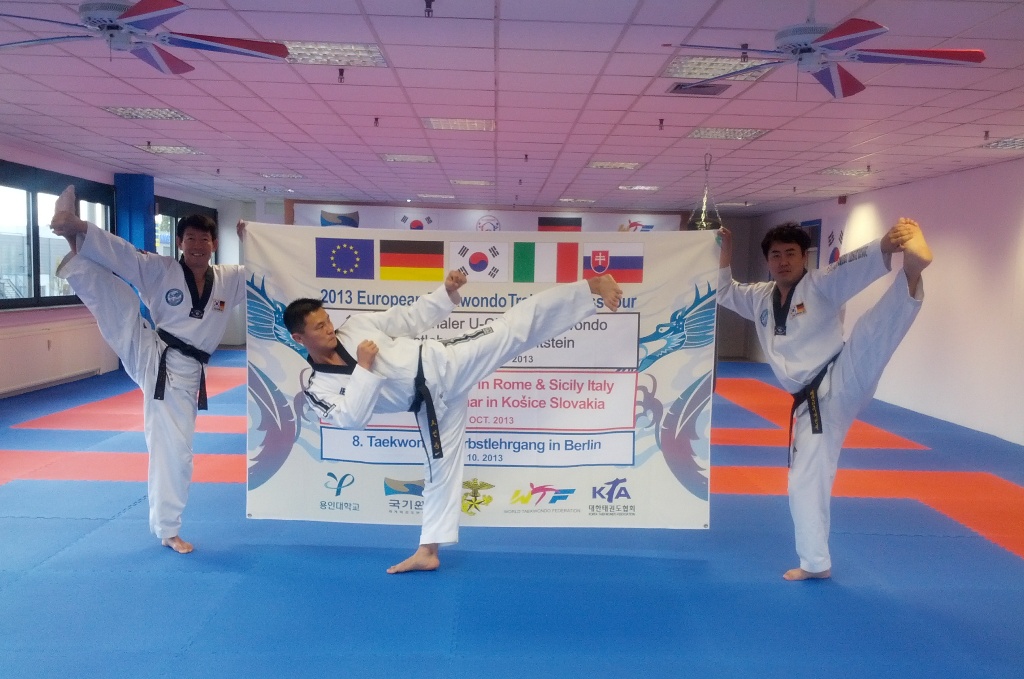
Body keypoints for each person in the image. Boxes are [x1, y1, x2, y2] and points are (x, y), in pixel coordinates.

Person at [285, 273, 623, 574]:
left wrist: (444, 293)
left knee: (513, 328)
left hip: (445, 362)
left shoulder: (356, 327)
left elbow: (408, 318)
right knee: (439, 471)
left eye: (327, 321)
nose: (329, 329)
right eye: (319, 327)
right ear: (300, 338)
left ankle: (591, 286)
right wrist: (364, 368)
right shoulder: (318, 387)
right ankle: (428, 552)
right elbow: (352, 419)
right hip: (430, 405)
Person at [717, 218, 932, 581]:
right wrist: (726, 250)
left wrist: (884, 245)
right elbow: (723, 291)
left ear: (805, 257)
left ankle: (911, 271)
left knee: (870, 332)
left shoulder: (820, 284)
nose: (783, 261)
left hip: (840, 371)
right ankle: (815, 563)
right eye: (775, 255)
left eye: (791, 253)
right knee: (804, 480)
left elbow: (849, 267)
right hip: (812, 402)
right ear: (768, 261)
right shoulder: (758, 297)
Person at [50, 188, 246, 554]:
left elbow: (269, 274)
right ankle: (168, 529)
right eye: (190, 239)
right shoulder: (163, 269)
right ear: (180, 243)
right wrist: (84, 228)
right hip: (157, 354)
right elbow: (124, 256)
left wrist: (254, 239)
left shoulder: (230, 278)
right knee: (121, 306)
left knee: (176, 451)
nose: (197, 246)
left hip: (186, 372)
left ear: (215, 244)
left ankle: (74, 242)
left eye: (204, 240)